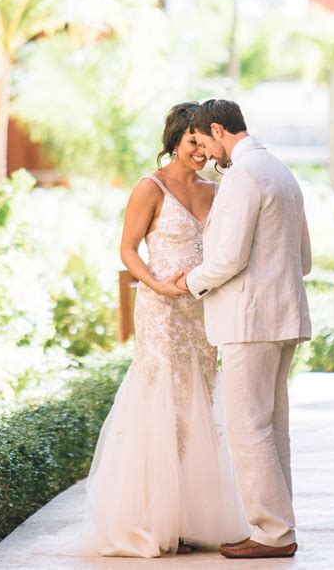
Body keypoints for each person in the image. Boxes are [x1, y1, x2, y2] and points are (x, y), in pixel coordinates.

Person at [75, 102, 249, 558]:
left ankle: (191, 518)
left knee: (198, 403)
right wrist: (154, 284)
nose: (199, 152)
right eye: (191, 142)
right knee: (162, 404)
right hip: (160, 309)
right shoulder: (149, 187)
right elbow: (128, 249)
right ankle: (152, 518)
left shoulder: (218, 191)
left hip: (202, 310)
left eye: (203, 143)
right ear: (175, 139)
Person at [174, 98, 312, 560]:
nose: (208, 155)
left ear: (218, 129)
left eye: (206, 143)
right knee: (272, 428)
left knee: (247, 427)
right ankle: (279, 528)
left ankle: (272, 533)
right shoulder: (280, 171)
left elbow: (228, 257)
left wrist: (189, 281)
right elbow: (304, 259)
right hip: (283, 316)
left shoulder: (242, 176)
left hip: (248, 320)